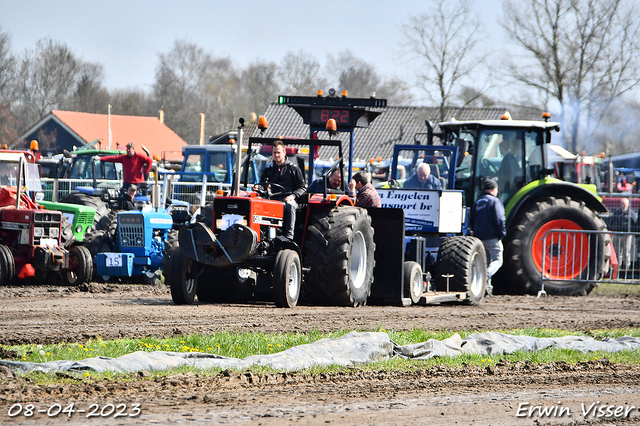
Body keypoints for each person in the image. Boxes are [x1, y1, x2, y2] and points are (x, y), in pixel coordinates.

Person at [254, 140, 306, 239]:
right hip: (273, 198)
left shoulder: (293, 169)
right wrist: (258, 187)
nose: (276, 155)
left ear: (284, 153)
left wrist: (292, 196)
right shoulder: (268, 170)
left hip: (288, 199)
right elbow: (263, 185)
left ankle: (289, 236)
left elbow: (302, 187)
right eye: (274, 153)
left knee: (290, 206)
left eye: (278, 152)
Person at [470, 179, 506, 295]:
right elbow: (500, 219)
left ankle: (487, 288)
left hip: (479, 238)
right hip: (492, 238)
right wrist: (502, 234)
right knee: (497, 260)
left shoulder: (478, 202)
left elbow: (472, 220)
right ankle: (486, 275)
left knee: (485, 261)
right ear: (494, 189)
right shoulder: (495, 202)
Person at [609, 198, 638, 269]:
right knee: (617, 253)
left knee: (626, 252)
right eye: (622, 204)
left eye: (624, 204)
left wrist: (631, 232)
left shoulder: (632, 214)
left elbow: (634, 224)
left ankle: (626, 268)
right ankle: (617, 268)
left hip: (626, 236)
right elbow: (611, 221)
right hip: (617, 235)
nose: (623, 205)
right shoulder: (616, 212)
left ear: (628, 204)